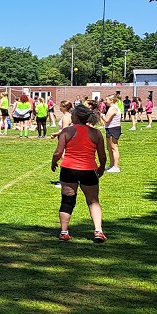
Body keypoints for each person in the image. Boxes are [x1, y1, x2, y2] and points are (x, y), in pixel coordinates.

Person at [50, 104, 107, 243]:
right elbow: (102, 155)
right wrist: (102, 167)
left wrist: (53, 162)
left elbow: (58, 152)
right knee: (93, 200)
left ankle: (64, 232)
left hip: (69, 170)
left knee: (67, 201)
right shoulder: (96, 133)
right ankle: (98, 231)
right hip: (88, 170)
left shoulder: (66, 132)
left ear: (76, 117)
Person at [101, 94, 122, 173]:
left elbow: (107, 120)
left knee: (114, 148)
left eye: (107, 100)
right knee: (109, 148)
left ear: (111, 101)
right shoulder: (111, 108)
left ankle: (116, 167)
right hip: (110, 128)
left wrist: (102, 115)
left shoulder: (113, 108)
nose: (105, 101)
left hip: (114, 129)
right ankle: (111, 165)